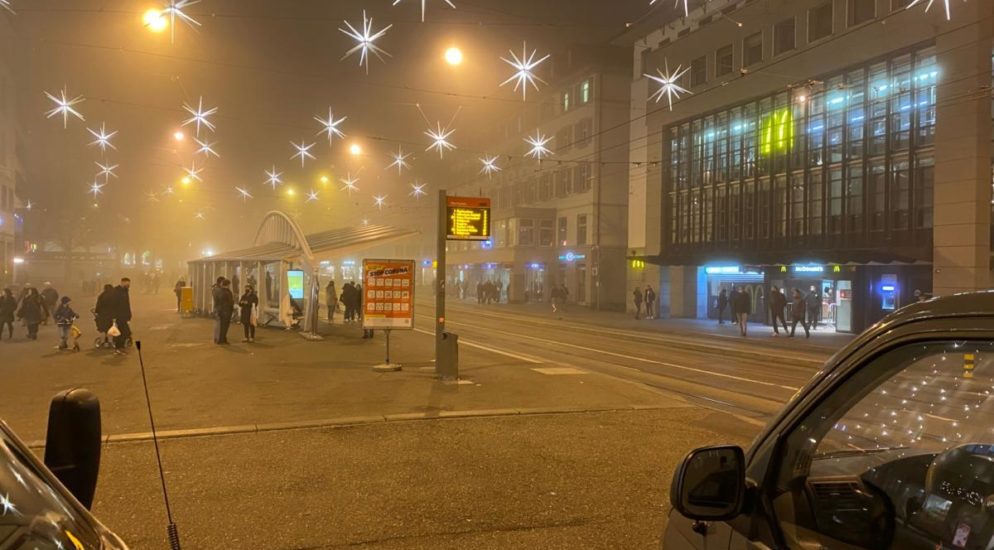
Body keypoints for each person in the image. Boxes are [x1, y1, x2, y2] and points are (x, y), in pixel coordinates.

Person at [112, 278, 133, 354]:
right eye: (127, 284)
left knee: (124, 332)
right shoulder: (116, 291)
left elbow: (127, 304)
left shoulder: (125, 290)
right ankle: (119, 347)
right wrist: (114, 316)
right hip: (119, 316)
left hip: (124, 315)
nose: (128, 285)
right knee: (124, 332)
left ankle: (120, 347)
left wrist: (129, 314)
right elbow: (114, 304)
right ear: (123, 282)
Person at [214, 279, 234, 344]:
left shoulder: (218, 291)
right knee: (225, 326)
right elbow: (231, 302)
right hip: (226, 311)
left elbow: (216, 300)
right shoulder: (227, 292)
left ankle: (218, 339)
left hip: (219, 310)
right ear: (228, 285)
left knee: (219, 325)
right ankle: (222, 339)